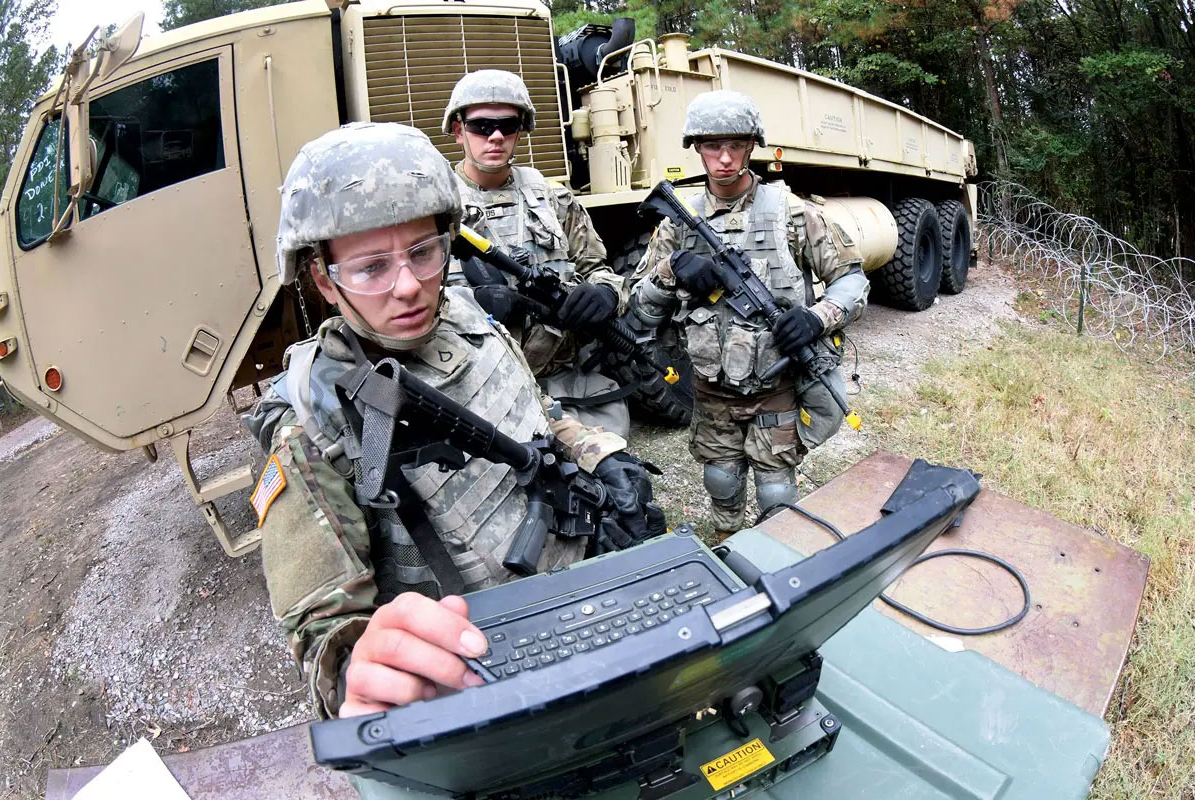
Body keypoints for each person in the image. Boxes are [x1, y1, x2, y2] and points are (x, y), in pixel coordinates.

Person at [243, 122, 663, 721]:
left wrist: (603, 455)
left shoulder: (470, 319)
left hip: (580, 603)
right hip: (479, 666)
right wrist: (362, 673)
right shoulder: (314, 421)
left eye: (423, 252)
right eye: (370, 269)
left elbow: (536, 416)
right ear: (322, 280)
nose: (409, 286)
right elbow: (327, 639)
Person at [630, 90, 868, 539]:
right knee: (721, 478)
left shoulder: (791, 213)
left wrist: (818, 318)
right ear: (696, 148)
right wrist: (672, 269)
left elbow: (852, 280)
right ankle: (725, 544)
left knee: (776, 487)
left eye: (735, 146)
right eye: (712, 146)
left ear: (751, 146)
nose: (724, 159)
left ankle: (775, 554)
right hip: (710, 388)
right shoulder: (677, 222)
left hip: (774, 386)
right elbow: (638, 307)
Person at [442, 69, 632, 437]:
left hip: (568, 387)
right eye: (481, 126)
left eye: (507, 126)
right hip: (475, 393)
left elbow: (598, 268)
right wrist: (472, 304)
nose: (495, 136)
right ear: (458, 131)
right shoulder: (434, 210)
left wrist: (605, 293)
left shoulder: (552, 199)